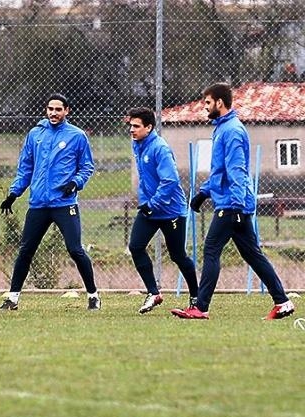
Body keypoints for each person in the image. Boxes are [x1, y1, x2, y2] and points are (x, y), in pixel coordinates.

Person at [171, 83, 295, 320]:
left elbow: (237, 170)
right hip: (231, 201)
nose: (205, 107)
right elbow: (220, 171)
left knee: (211, 250)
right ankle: (283, 302)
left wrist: (237, 204)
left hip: (232, 204)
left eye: (208, 103)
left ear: (219, 102)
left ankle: (201, 307)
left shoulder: (232, 131)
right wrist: (203, 193)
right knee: (253, 254)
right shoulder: (222, 129)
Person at [0, 93, 100, 311]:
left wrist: (76, 182)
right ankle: (13, 297)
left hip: (64, 204)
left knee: (75, 249)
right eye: (50, 109)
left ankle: (93, 295)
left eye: (58, 109)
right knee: (26, 250)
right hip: (38, 204)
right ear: (46, 110)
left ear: (67, 111)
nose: (54, 113)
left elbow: (87, 166)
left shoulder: (77, 136)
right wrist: (13, 193)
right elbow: (25, 167)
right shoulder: (35, 134)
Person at [126, 107, 199, 314]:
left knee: (178, 255)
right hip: (150, 208)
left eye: (136, 126)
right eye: (130, 125)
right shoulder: (137, 144)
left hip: (171, 211)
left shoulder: (160, 148)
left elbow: (170, 181)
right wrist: (145, 202)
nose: (132, 130)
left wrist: (153, 203)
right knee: (136, 246)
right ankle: (153, 292)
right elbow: (145, 178)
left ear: (149, 127)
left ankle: (196, 297)